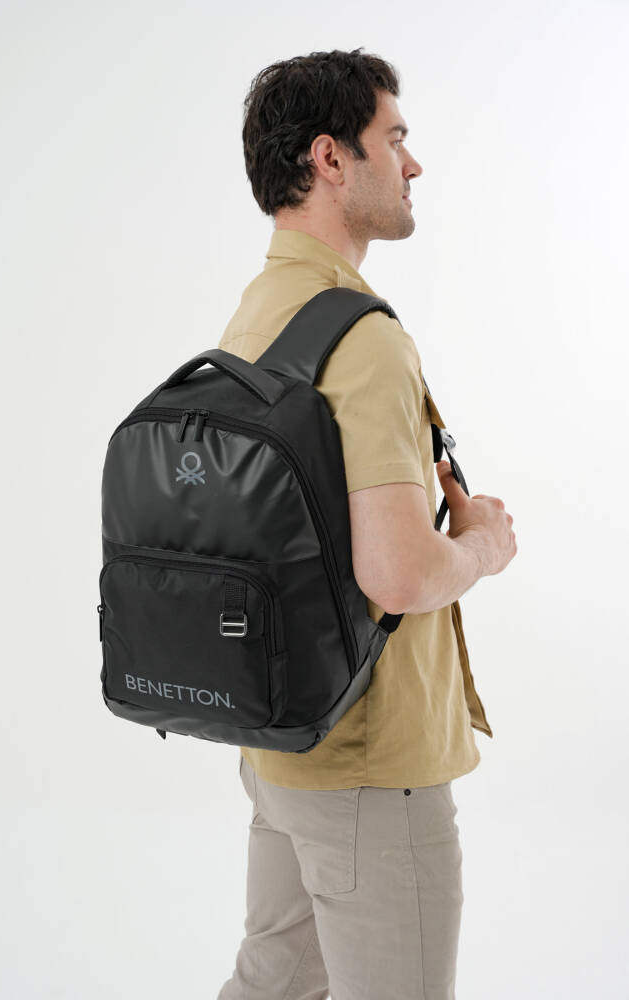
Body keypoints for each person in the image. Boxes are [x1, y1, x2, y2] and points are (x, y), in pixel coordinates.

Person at [216, 48, 517, 1000]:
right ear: (330, 159)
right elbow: (398, 574)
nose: (412, 163)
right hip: (369, 768)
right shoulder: (361, 336)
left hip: (281, 746)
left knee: (272, 984)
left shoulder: (256, 315)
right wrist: (481, 545)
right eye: (394, 139)